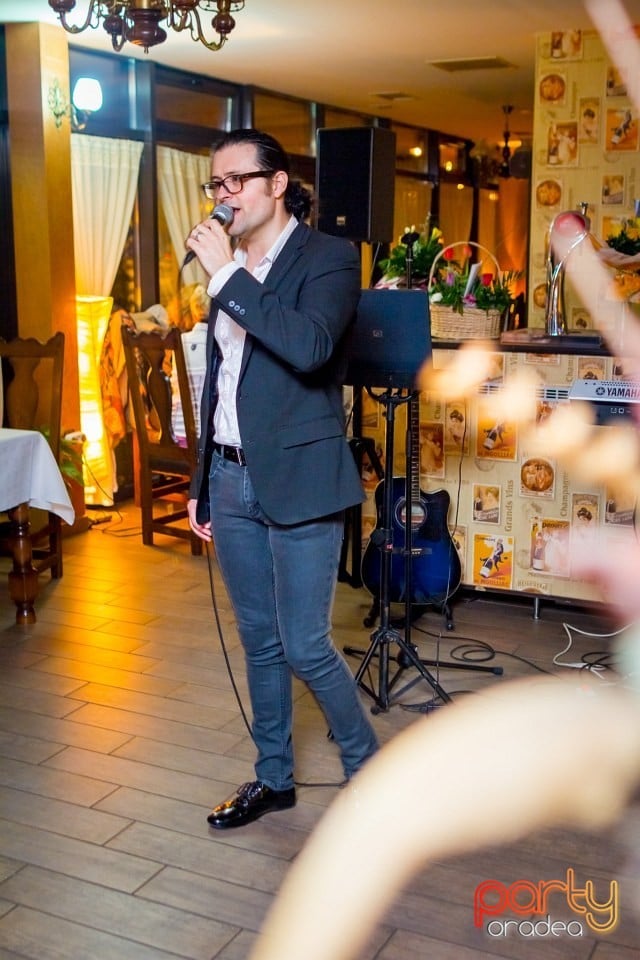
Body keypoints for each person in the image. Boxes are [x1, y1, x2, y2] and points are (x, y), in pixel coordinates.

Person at [185, 127, 379, 829]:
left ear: (277, 184)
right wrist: (202, 479)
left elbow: (309, 347)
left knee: (304, 644)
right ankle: (274, 778)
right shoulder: (229, 267)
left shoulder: (328, 258)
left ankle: (369, 770)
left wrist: (227, 280)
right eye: (216, 183)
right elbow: (220, 381)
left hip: (302, 477)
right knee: (259, 641)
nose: (224, 194)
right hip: (231, 477)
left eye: (236, 180)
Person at [170, 285, 210, 447]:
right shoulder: (217, 344)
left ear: (193, 310)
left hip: (176, 435)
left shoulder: (179, 342)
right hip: (205, 439)